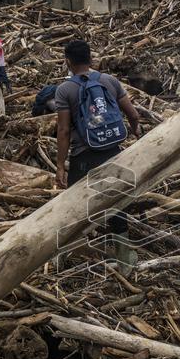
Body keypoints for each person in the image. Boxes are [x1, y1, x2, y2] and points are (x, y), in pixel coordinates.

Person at [54, 40, 142, 271]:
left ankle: (62, 256)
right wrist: (135, 132)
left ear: (68, 62)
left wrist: (60, 165)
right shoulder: (109, 81)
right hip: (112, 152)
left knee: (73, 205)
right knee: (115, 202)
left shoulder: (65, 90)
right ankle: (125, 259)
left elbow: (63, 131)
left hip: (83, 156)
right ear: (91, 59)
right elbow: (132, 114)